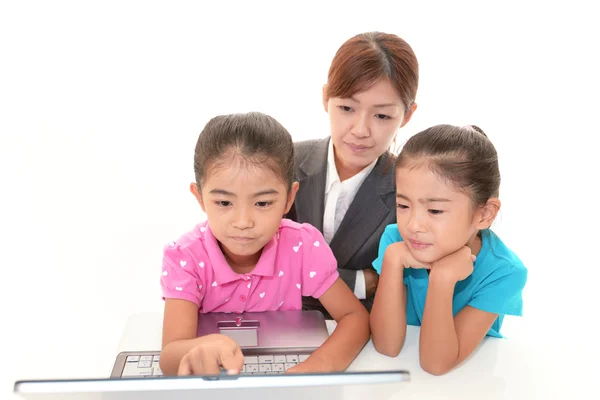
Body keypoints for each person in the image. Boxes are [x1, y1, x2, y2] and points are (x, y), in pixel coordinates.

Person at [159, 112, 370, 376]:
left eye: (262, 203)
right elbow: (169, 355)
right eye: (224, 203)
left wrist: (319, 365)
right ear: (200, 197)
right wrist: (198, 349)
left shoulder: (302, 246)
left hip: (287, 373)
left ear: (289, 198)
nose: (243, 221)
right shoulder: (185, 257)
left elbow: (355, 318)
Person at [369, 124, 528, 375]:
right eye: (403, 204)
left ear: (484, 214)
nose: (413, 225)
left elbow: (436, 364)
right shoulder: (395, 241)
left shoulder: (504, 272)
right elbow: (387, 347)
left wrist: (442, 280)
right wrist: (391, 262)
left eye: (434, 210)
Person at [287, 31, 419, 314]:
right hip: (275, 327)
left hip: (367, 338)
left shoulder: (413, 188)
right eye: (347, 108)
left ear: (407, 115)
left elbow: (410, 289)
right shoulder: (283, 161)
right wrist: (363, 281)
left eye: (382, 116)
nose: (360, 130)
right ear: (326, 98)